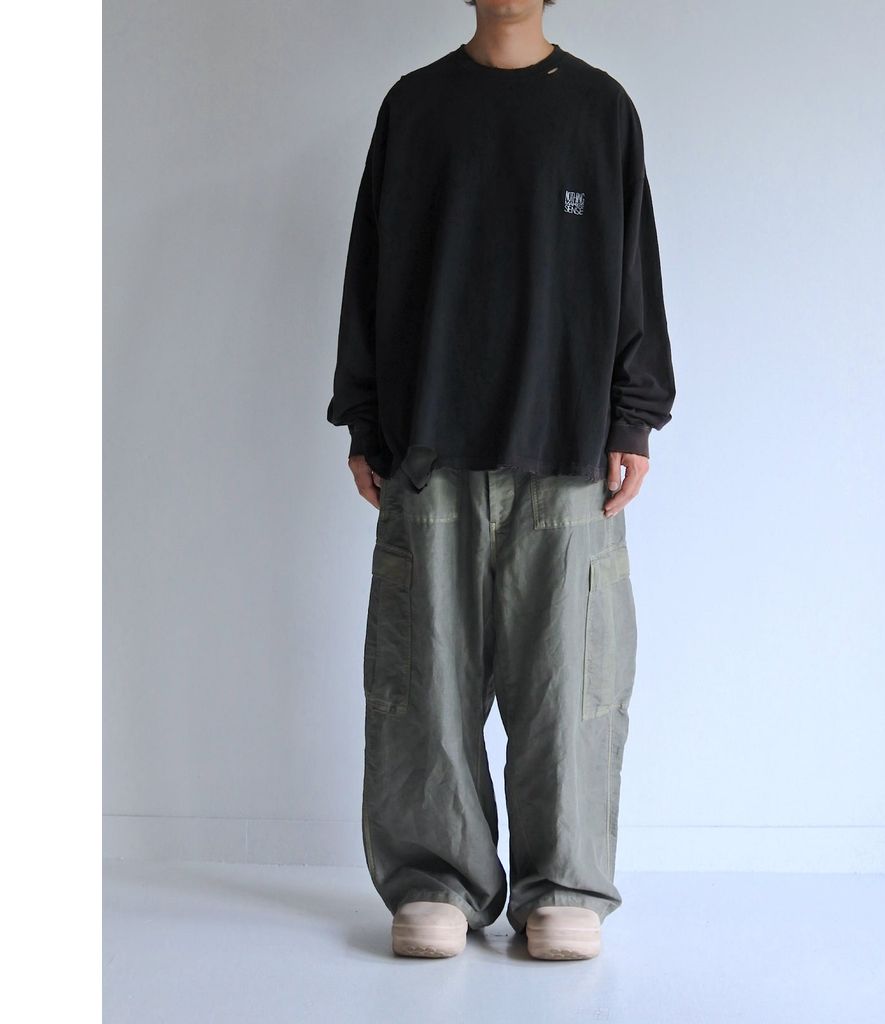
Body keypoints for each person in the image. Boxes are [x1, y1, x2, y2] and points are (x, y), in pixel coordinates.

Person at [327, 0, 676, 960]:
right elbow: (369, 270)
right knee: (423, 677)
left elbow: (635, 267)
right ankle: (436, 880)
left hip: (567, 443)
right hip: (428, 445)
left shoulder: (600, 109)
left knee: (571, 679)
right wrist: (364, 416)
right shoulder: (415, 107)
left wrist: (634, 414)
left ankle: (564, 886)